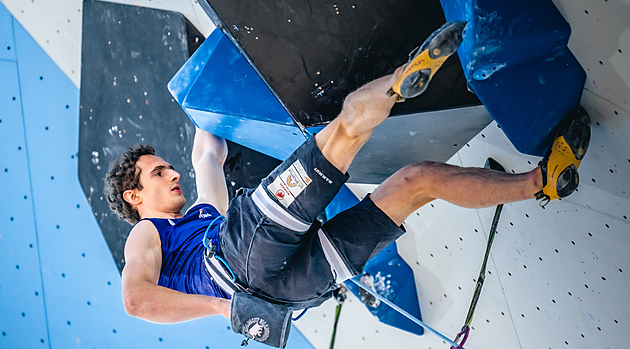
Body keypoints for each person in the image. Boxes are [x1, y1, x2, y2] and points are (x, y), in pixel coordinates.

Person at [105, 21, 590, 325]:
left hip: (288, 292)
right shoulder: (147, 234)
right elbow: (137, 301)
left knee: (417, 180)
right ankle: (403, 79)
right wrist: (221, 307)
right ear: (134, 197)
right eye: (156, 172)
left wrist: (204, 97)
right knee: (340, 136)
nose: (170, 175)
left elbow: (206, 156)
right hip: (240, 260)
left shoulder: (204, 212)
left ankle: (540, 183)